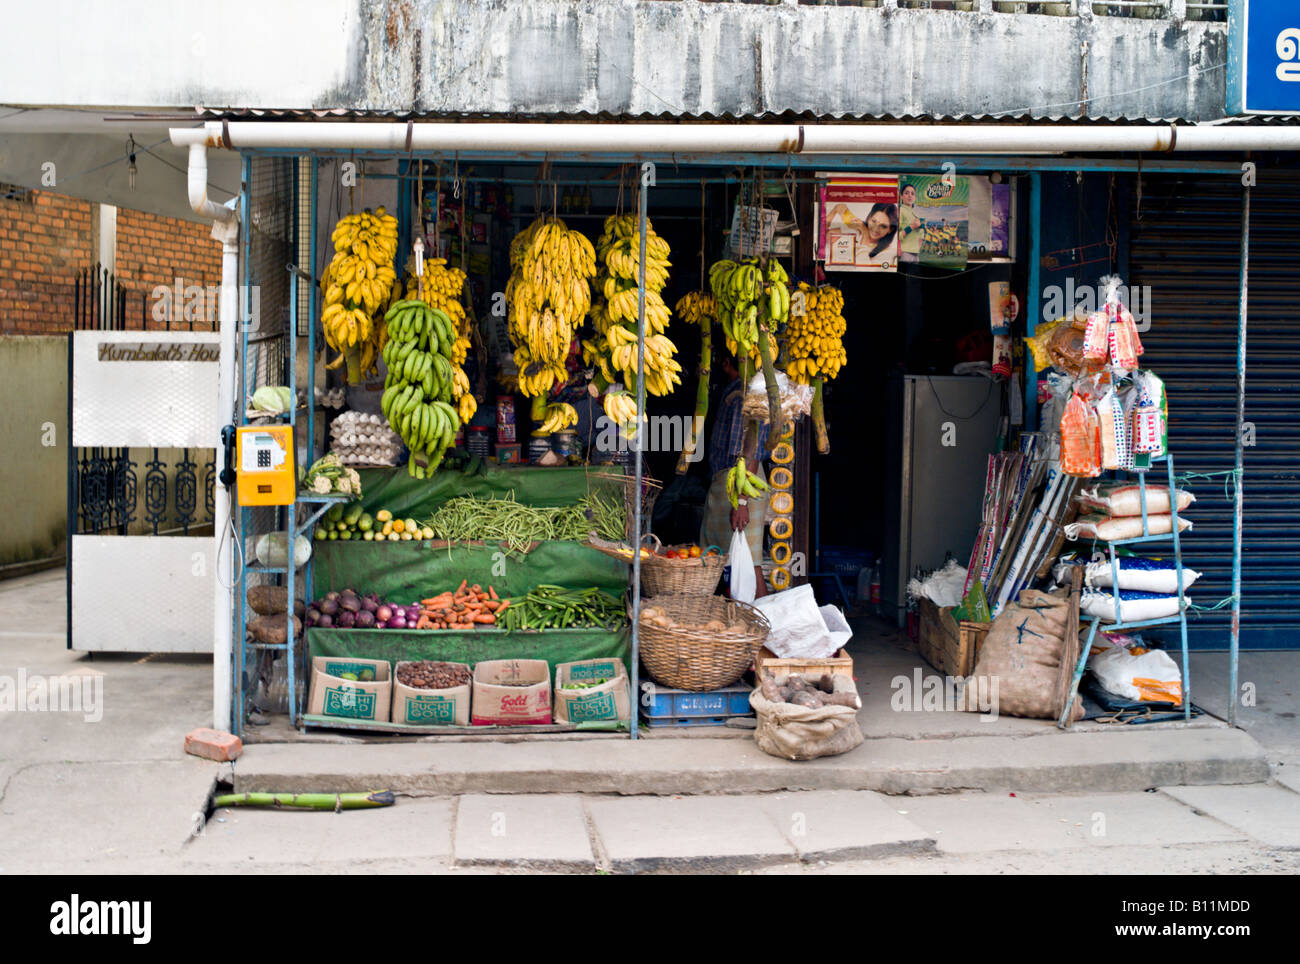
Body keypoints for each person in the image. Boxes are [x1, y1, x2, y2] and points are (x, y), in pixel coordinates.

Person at [700, 353, 768, 597]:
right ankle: (736, 623)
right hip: (727, 482)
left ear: (726, 362)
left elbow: (749, 453)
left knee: (749, 561)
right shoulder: (734, 392)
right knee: (725, 560)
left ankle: (765, 626)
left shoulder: (743, 395)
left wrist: (741, 502)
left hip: (741, 482)